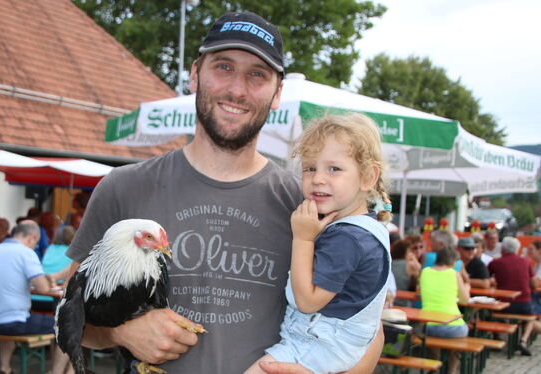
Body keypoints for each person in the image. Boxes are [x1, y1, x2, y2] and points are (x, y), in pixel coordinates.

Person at [64, 11, 382, 374]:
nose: (237, 89)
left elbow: (368, 332)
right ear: (195, 74)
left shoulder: (311, 207)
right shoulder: (122, 188)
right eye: (224, 67)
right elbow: (72, 320)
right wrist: (122, 332)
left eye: (257, 75)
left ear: (277, 93)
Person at [245, 112, 392, 373]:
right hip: (338, 349)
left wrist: (303, 238)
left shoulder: (347, 238)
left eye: (334, 169)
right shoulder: (369, 228)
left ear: (369, 177)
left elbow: (308, 301)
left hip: (315, 348)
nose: (318, 178)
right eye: (310, 168)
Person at [0, 220, 73, 374]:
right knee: (69, 324)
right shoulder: (25, 253)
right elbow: (43, 289)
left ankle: (5, 368)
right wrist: (51, 278)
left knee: (9, 315)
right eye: (35, 243)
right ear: (31, 237)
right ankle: (59, 372)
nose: (34, 246)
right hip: (15, 322)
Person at [420, 246, 470, 374]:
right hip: (453, 326)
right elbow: (465, 300)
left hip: (428, 325)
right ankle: (451, 370)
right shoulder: (454, 274)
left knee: (432, 338)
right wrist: (467, 287)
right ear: (452, 261)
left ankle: (435, 364)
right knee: (460, 339)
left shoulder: (425, 272)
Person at [488, 236, 541, 355]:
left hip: (503, 305)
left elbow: (487, 280)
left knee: (490, 312)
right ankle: (523, 341)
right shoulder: (526, 262)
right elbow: (533, 283)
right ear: (517, 249)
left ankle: (496, 336)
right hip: (523, 305)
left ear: (502, 250)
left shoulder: (495, 262)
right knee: (530, 316)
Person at [31, 225, 76, 312]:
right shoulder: (72, 252)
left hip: (35, 296)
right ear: (73, 238)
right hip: (52, 300)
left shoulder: (50, 249)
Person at [530, 241, 541, 314]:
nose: (529, 252)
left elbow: (536, 283)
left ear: (539, 250)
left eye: (531, 249)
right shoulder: (536, 265)